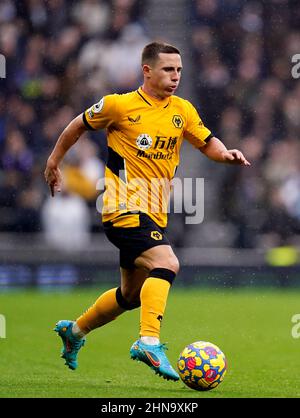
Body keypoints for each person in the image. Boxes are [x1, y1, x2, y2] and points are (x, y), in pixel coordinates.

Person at [44, 42, 250, 381]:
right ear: (147, 71)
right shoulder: (118, 105)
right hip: (122, 207)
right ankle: (148, 341)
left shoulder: (182, 110)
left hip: (154, 214)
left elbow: (206, 141)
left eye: (179, 70)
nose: (176, 76)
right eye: (168, 69)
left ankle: (75, 332)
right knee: (167, 263)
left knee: (130, 295)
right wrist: (54, 162)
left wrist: (225, 153)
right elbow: (77, 126)